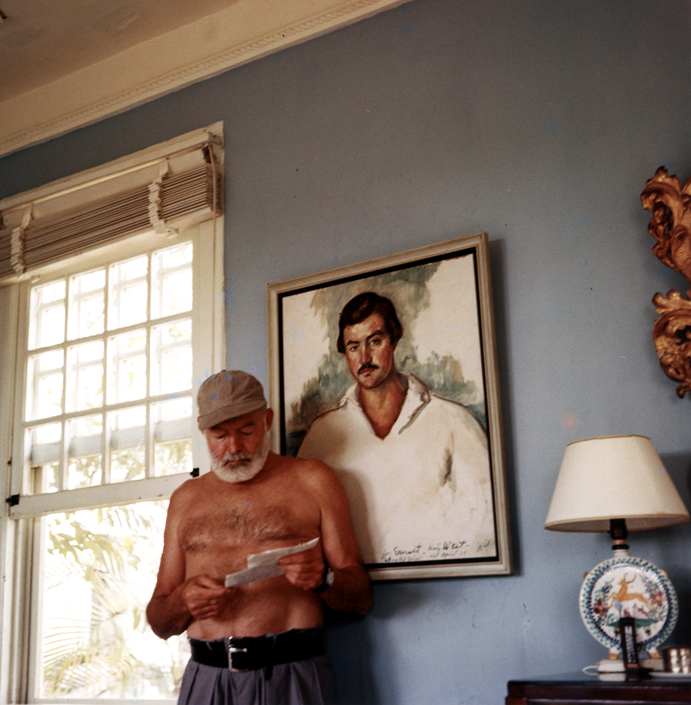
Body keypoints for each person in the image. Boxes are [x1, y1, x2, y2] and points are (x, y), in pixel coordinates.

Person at [147, 369, 372, 705]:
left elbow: (360, 599)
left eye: (246, 430)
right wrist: (182, 601)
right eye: (219, 435)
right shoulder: (185, 499)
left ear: (267, 420)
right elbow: (160, 621)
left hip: (293, 675)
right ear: (202, 431)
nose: (234, 447)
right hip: (207, 679)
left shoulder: (314, 480)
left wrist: (323, 578)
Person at [298, 292, 495, 566]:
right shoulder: (321, 435)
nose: (365, 357)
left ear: (394, 340)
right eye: (353, 347)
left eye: (375, 341)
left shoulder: (454, 420)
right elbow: (301, 530)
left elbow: (485, 526)